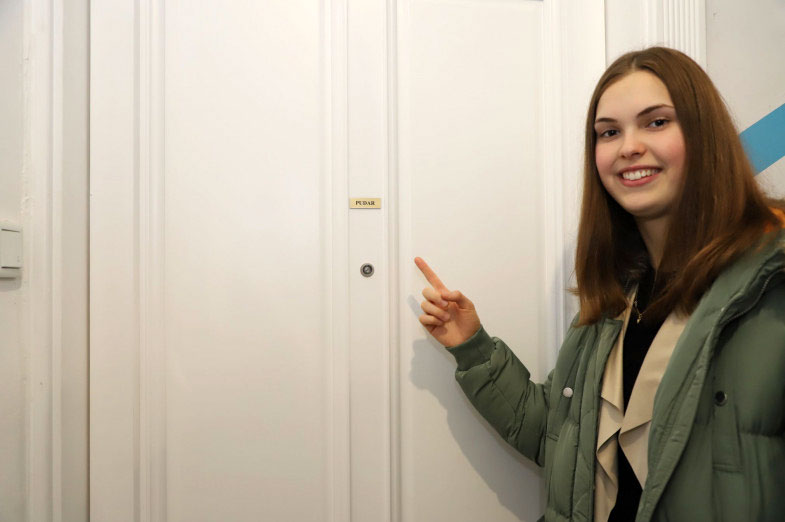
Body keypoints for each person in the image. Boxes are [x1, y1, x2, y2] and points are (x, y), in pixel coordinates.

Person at [415, 46, 785, 522]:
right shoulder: (614, 299)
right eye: (609, 132)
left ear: (704, 134)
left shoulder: (769, 288)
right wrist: (473, 348)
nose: (628, 146)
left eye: (656, 122)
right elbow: (559, 441)